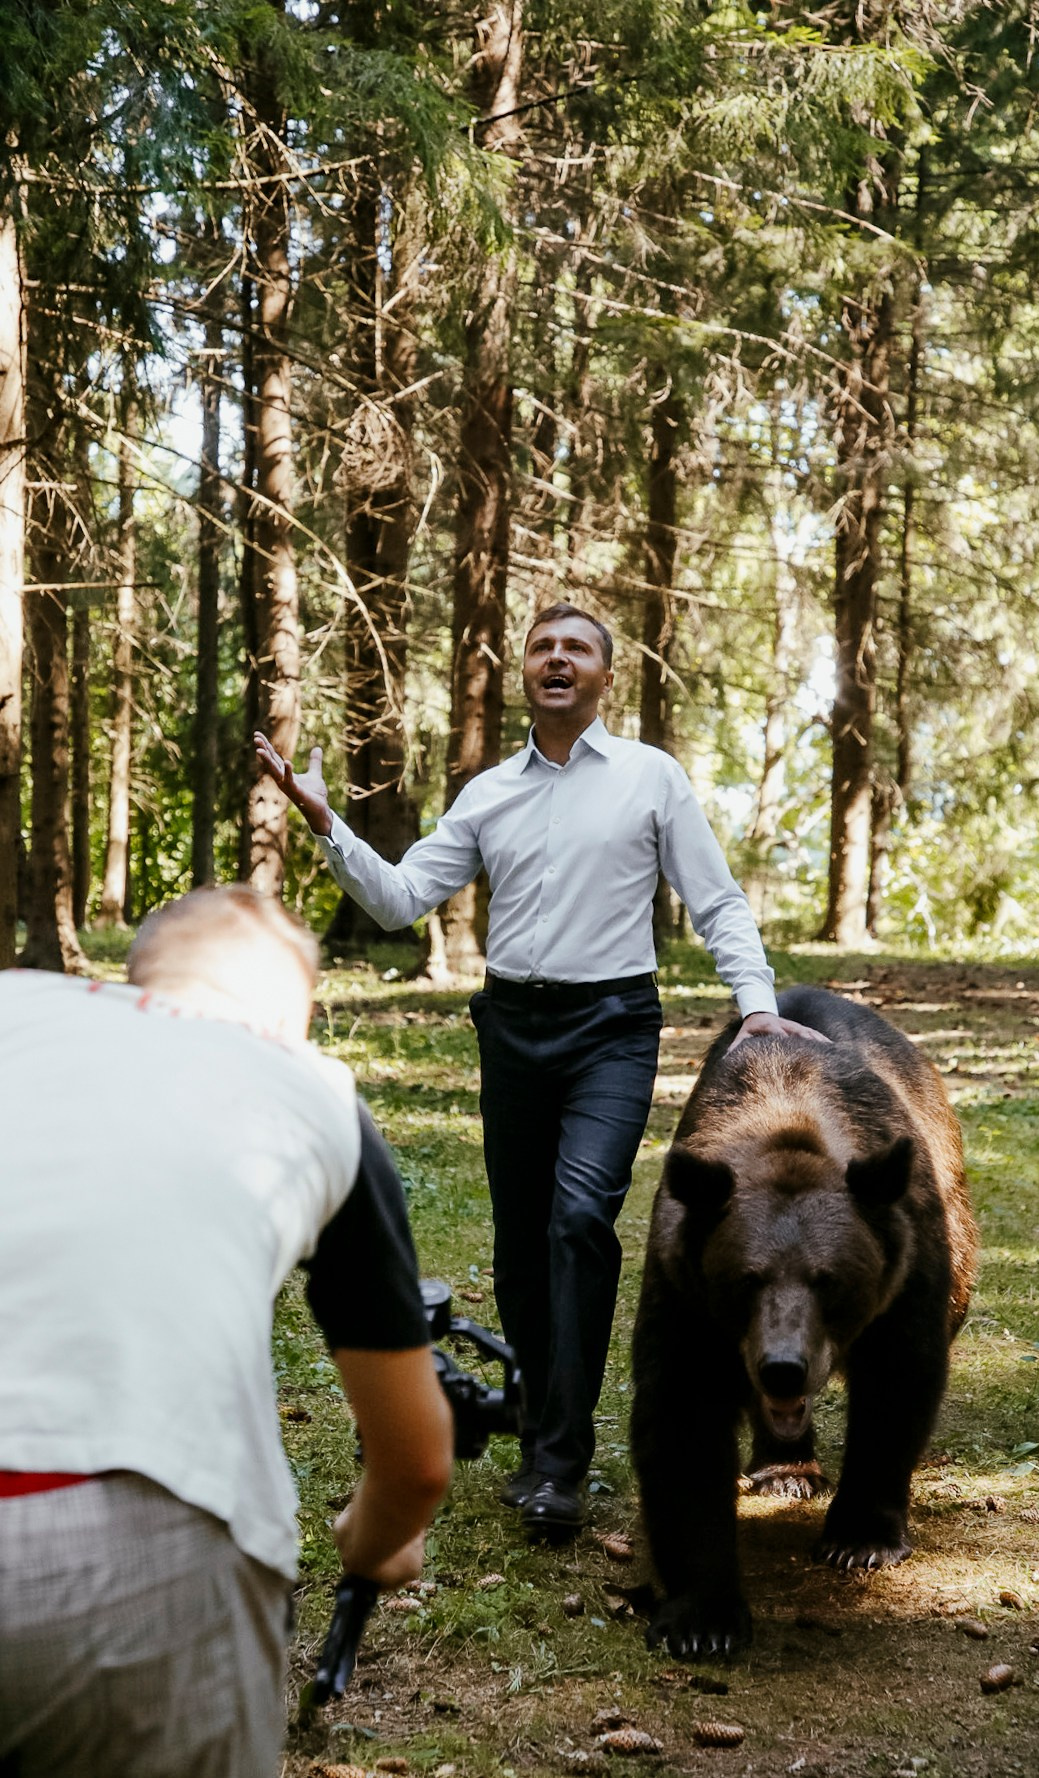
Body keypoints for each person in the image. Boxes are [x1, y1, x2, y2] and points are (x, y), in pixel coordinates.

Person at [255, 602, 822, 1539]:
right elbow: (399, 900)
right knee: (521, 1250)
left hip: (612, 1027)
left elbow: (715, 900)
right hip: (511, 1028)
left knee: (576, 1222)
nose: (556, 660)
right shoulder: (488, 792)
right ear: (524, 671)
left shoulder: (650, 778)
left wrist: (754, 999)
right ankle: (533, 1429)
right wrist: (326, 824)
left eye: (577, 649)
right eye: (541, 648)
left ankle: (561, 1459)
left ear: (604, 676)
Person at [0, 886, 454, 1778]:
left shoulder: (16, 1005)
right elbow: (417, 1460)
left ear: (138, 977)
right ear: (293, 1014)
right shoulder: (308, 1086)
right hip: (129, 1555)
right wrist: (373, 1539)